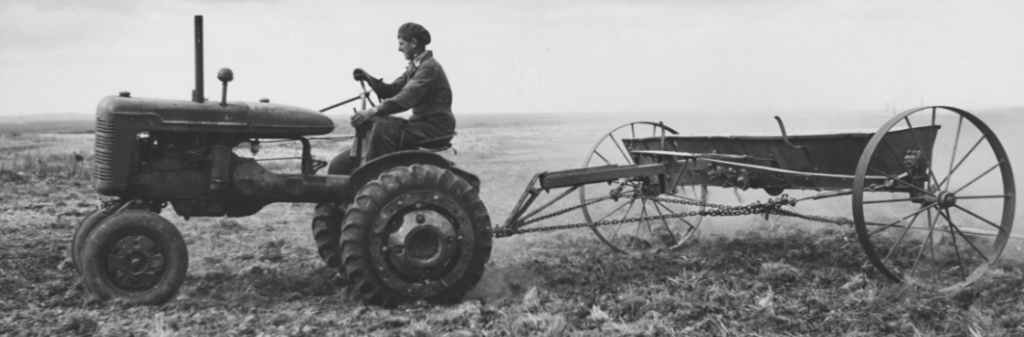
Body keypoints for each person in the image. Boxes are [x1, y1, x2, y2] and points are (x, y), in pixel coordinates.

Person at [328, 22, 455, 174]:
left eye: (401, 44)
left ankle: (372, 177)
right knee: (373, 123)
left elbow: (406, 97)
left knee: (384, 127)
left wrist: (372, 111)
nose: (399, 49)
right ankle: (358, 164)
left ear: (413, 43)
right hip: (422, 125)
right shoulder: (414, 67)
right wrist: (369, 79)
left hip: (435, 128)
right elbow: (391, 90)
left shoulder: (429, 67)